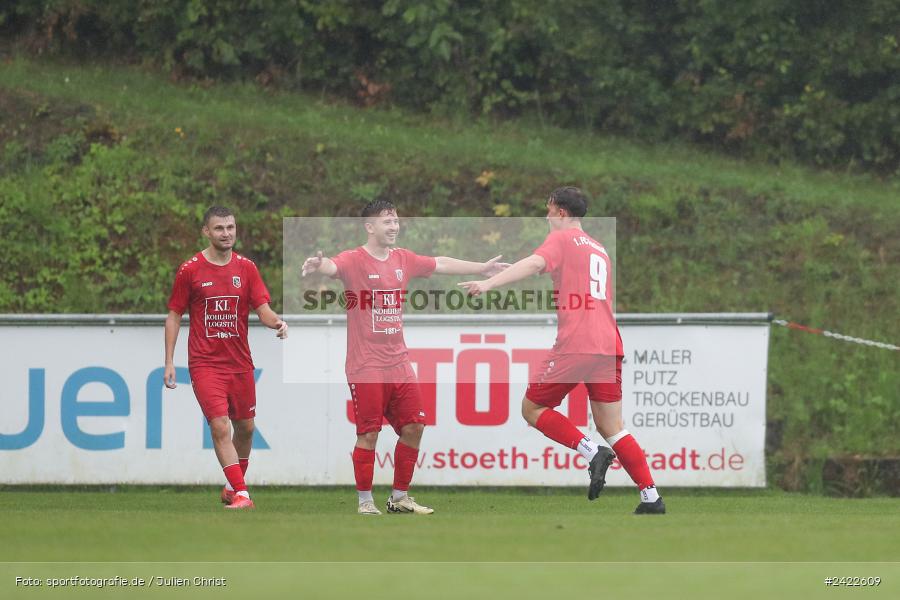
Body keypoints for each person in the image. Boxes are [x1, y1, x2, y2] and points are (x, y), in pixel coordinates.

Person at [459, 187, 665, 514]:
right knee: (613, 426)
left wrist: (486, 284)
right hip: (608, 344)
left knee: (532, 408)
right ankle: (651, 496)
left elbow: (533, 263)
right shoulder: (599, 248)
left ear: (561, 212)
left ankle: (590, 451)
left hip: (578, 343)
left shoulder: (563, 239)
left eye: (548, 211)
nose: (546, 217)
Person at [301, 200, 508, 515]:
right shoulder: (354, 260)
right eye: (387, 222)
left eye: (396, 221)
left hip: (398, 362)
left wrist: (481, 268)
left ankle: (399, 498)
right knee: (369, 433)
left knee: (414, 426)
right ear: (370, 227)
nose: (394, 227)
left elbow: (439, 263)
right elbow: (333, 266)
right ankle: (365, 502)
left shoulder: (403, 259)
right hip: (366, 364)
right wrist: (320, 265)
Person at [164, 206, 288, 510]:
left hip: (240, 364)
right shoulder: (190, 269)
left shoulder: (246, 268)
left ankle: (232, 487)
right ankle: (243, 493)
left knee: (245, 428)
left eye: (230, 227)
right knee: (220, 426)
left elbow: (262, 308)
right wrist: (169, 361)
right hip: (205, 364)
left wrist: (277, 322)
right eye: (219, 228)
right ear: (206, 232)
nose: (226, 233)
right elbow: (174, 315)